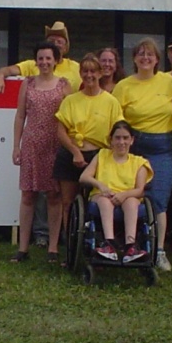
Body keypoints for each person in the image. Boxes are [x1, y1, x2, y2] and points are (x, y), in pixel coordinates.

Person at [112, 38, 172, 272]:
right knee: (131, 197)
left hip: (162, 147)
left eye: (150, 54)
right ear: (134, 58)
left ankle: (159, 251)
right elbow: (118, 121)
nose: (145, 57)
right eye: (140, 53)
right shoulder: (124, 86)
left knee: (159, 201)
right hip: (135, 146)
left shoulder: (170, 83)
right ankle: (129, 245)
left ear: (157, 59)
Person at [10, 41, 70, 263]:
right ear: (36, 61)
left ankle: (53, 248)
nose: (44, 62)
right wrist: (16, 145)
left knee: (54, 195)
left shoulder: (64, 85)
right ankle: (23, 248)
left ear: (56, 60)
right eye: (41, 58)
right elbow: (19, 115)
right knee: (28, 195)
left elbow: (70, 117)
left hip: (55, 145)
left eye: (48, 58)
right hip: (32, 145)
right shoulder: (28, 83)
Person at [55, 54, 124, 245]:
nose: (89, 75)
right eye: (85, 71)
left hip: (99, 156)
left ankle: (99, 242)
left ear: (100, 73)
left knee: (98, 201)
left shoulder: (111, 102)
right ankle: (70, 245)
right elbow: (60, 131)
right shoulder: (70, 100)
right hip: (71, 153)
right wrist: (75, 152)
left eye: (93, 71)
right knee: (67, 202)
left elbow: (117, 130)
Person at [78, 121, 153, 263]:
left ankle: (130, 246)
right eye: (117, 138)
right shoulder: (102, 155)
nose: (121, 142)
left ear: (132, 140)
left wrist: (124, 195)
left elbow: (140, 190)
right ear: (111, 140)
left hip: (128, 197)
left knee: (131, 202)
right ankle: (109, 243)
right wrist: (100, 185)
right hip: (103, 196)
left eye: (125, 138)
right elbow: (84, 177)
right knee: (105, 201)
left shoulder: (139, 163)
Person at [0, 21, 81, 93]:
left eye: (59, 42)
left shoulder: (77, 67)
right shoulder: (34, 64)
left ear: (65, 48)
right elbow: (9, 70)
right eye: (51, 41)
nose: (55, 44)